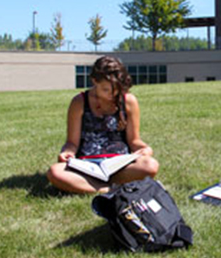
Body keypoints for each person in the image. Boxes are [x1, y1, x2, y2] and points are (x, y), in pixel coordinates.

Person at [47, 56, 159, 194]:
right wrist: (67, 152)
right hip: (87, 166)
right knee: (55, 172)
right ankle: (109, 189)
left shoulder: (128, 101)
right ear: (94, 81)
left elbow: (134, 140)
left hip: (119, 165)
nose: (112, 94)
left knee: (150, 166)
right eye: (106, 90)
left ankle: (89, 187)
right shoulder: (79, 102)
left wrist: (145, 149)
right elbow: (71, 142)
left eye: (116, 89)